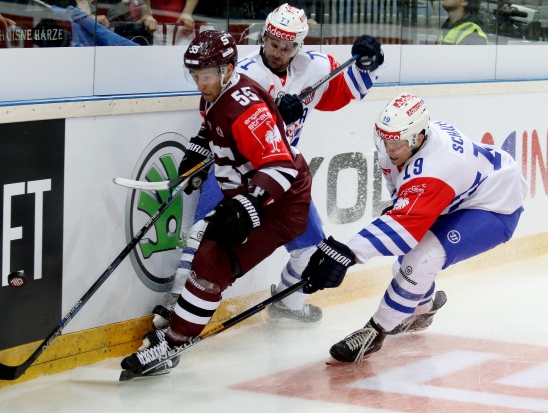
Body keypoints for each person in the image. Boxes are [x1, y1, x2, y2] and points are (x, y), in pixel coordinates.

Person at [150, 3, 384, 328]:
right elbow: (212, 112)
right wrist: (272, 109)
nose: (278, 51)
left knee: (311, 249)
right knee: (205, 229)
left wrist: (369, 63)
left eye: (287, 47)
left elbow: (352, 89)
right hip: (236, 166)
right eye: (273, 43)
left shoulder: (314, 68)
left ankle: (288, 303)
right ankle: (177, 300)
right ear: (265, 37)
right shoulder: (241, 71)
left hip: (279, 177)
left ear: (298, 46)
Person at [120, 30, 313, 377]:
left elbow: (280, 166)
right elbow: (213, 129)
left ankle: (172, 345)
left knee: (212, 261)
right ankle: (183, 320)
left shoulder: (247, 108)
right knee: (206, 252)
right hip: (254, 193)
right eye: (195, 75)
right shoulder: (217, 94)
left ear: (227, 69)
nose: (200, 83)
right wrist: (199, 148)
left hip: (281, 202)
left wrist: (248, 204)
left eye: (205, 76)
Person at [298, 92, 528, 364]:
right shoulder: (400, 145)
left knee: (423, 258)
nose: (389, 150)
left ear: (419, 138)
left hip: (497, 206)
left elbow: (403, 229)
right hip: (460, 196)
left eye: (396, 143)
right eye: (384, 140)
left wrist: (346, 253)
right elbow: (403, 204)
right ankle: (423, 310)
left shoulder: (438, 166)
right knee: (408, 260)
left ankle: (375, 332)